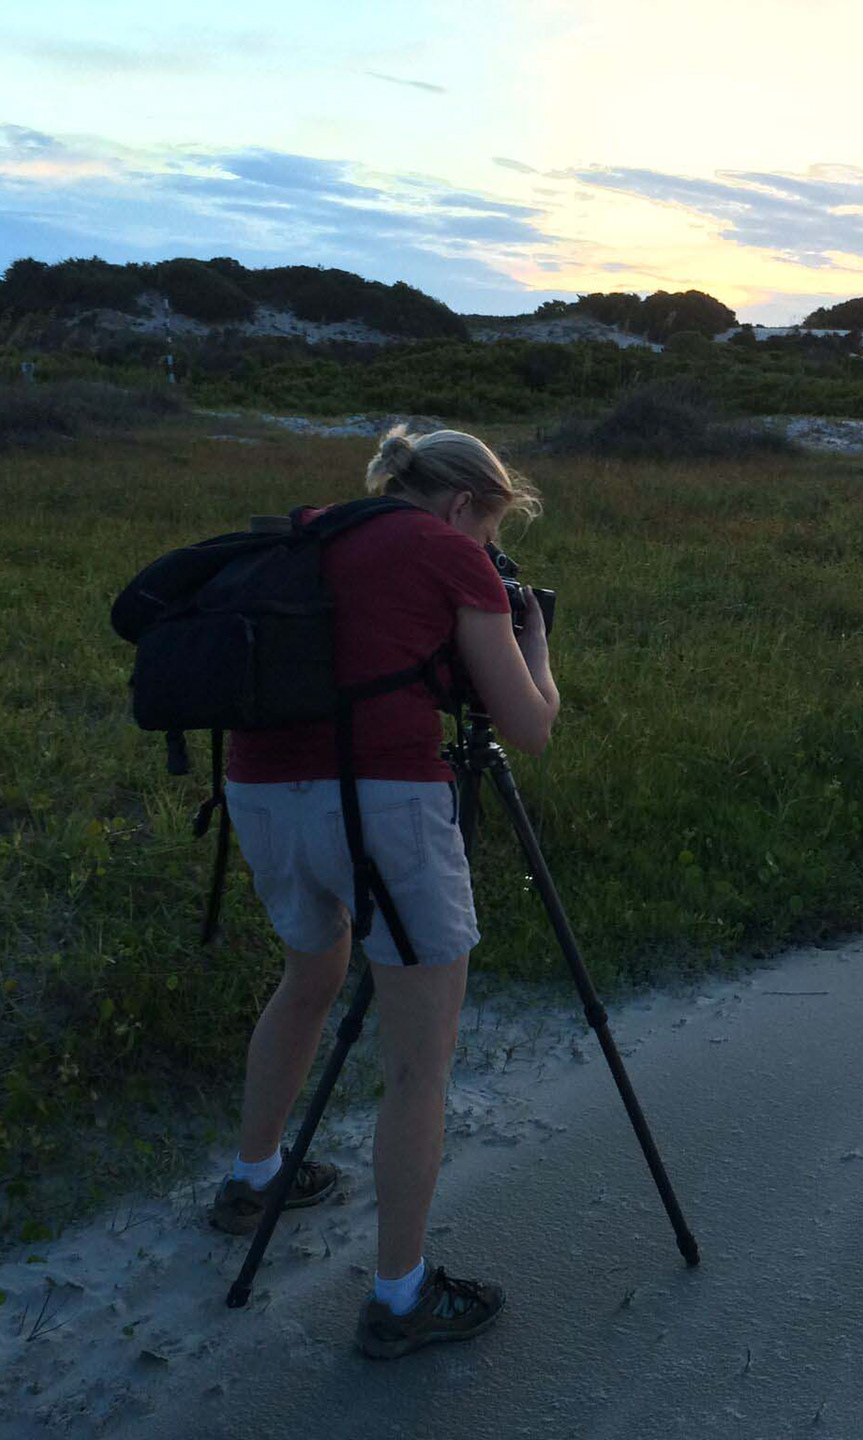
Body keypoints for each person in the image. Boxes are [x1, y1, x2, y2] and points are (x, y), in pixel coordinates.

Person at [204, 424, 560, 1360]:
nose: (489, 544)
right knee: (418, 1065)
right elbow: (527, 725)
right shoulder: (451, 554)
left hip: (259, 792)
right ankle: (400, 1300)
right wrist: (533, 637)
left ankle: (252, 1181)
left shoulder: (319, 530)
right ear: (462, 506)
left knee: (307, 979)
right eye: (491, 525)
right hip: (383, 802)